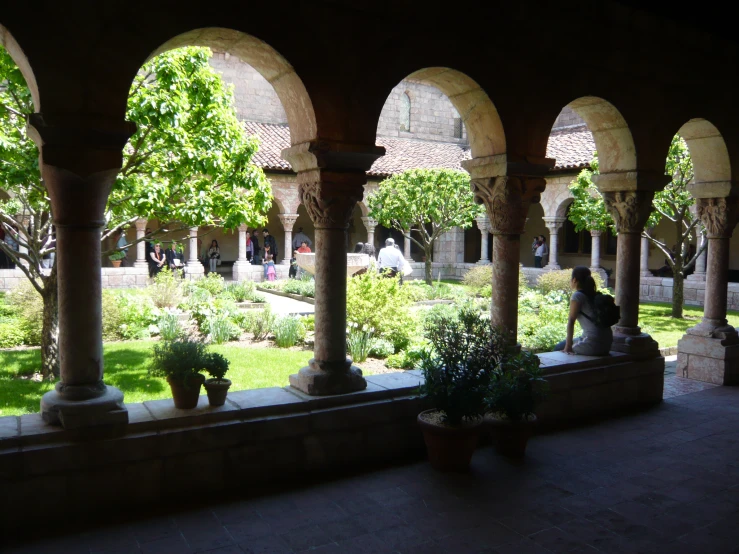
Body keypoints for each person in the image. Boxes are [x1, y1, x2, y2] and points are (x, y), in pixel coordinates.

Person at [554, 266, 613, 356]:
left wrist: (568, 346)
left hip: (593, 345)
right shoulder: (595, 295)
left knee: (558, 348)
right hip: (607, 344)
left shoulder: (577, 296)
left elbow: (571, 321)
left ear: (574, 280)